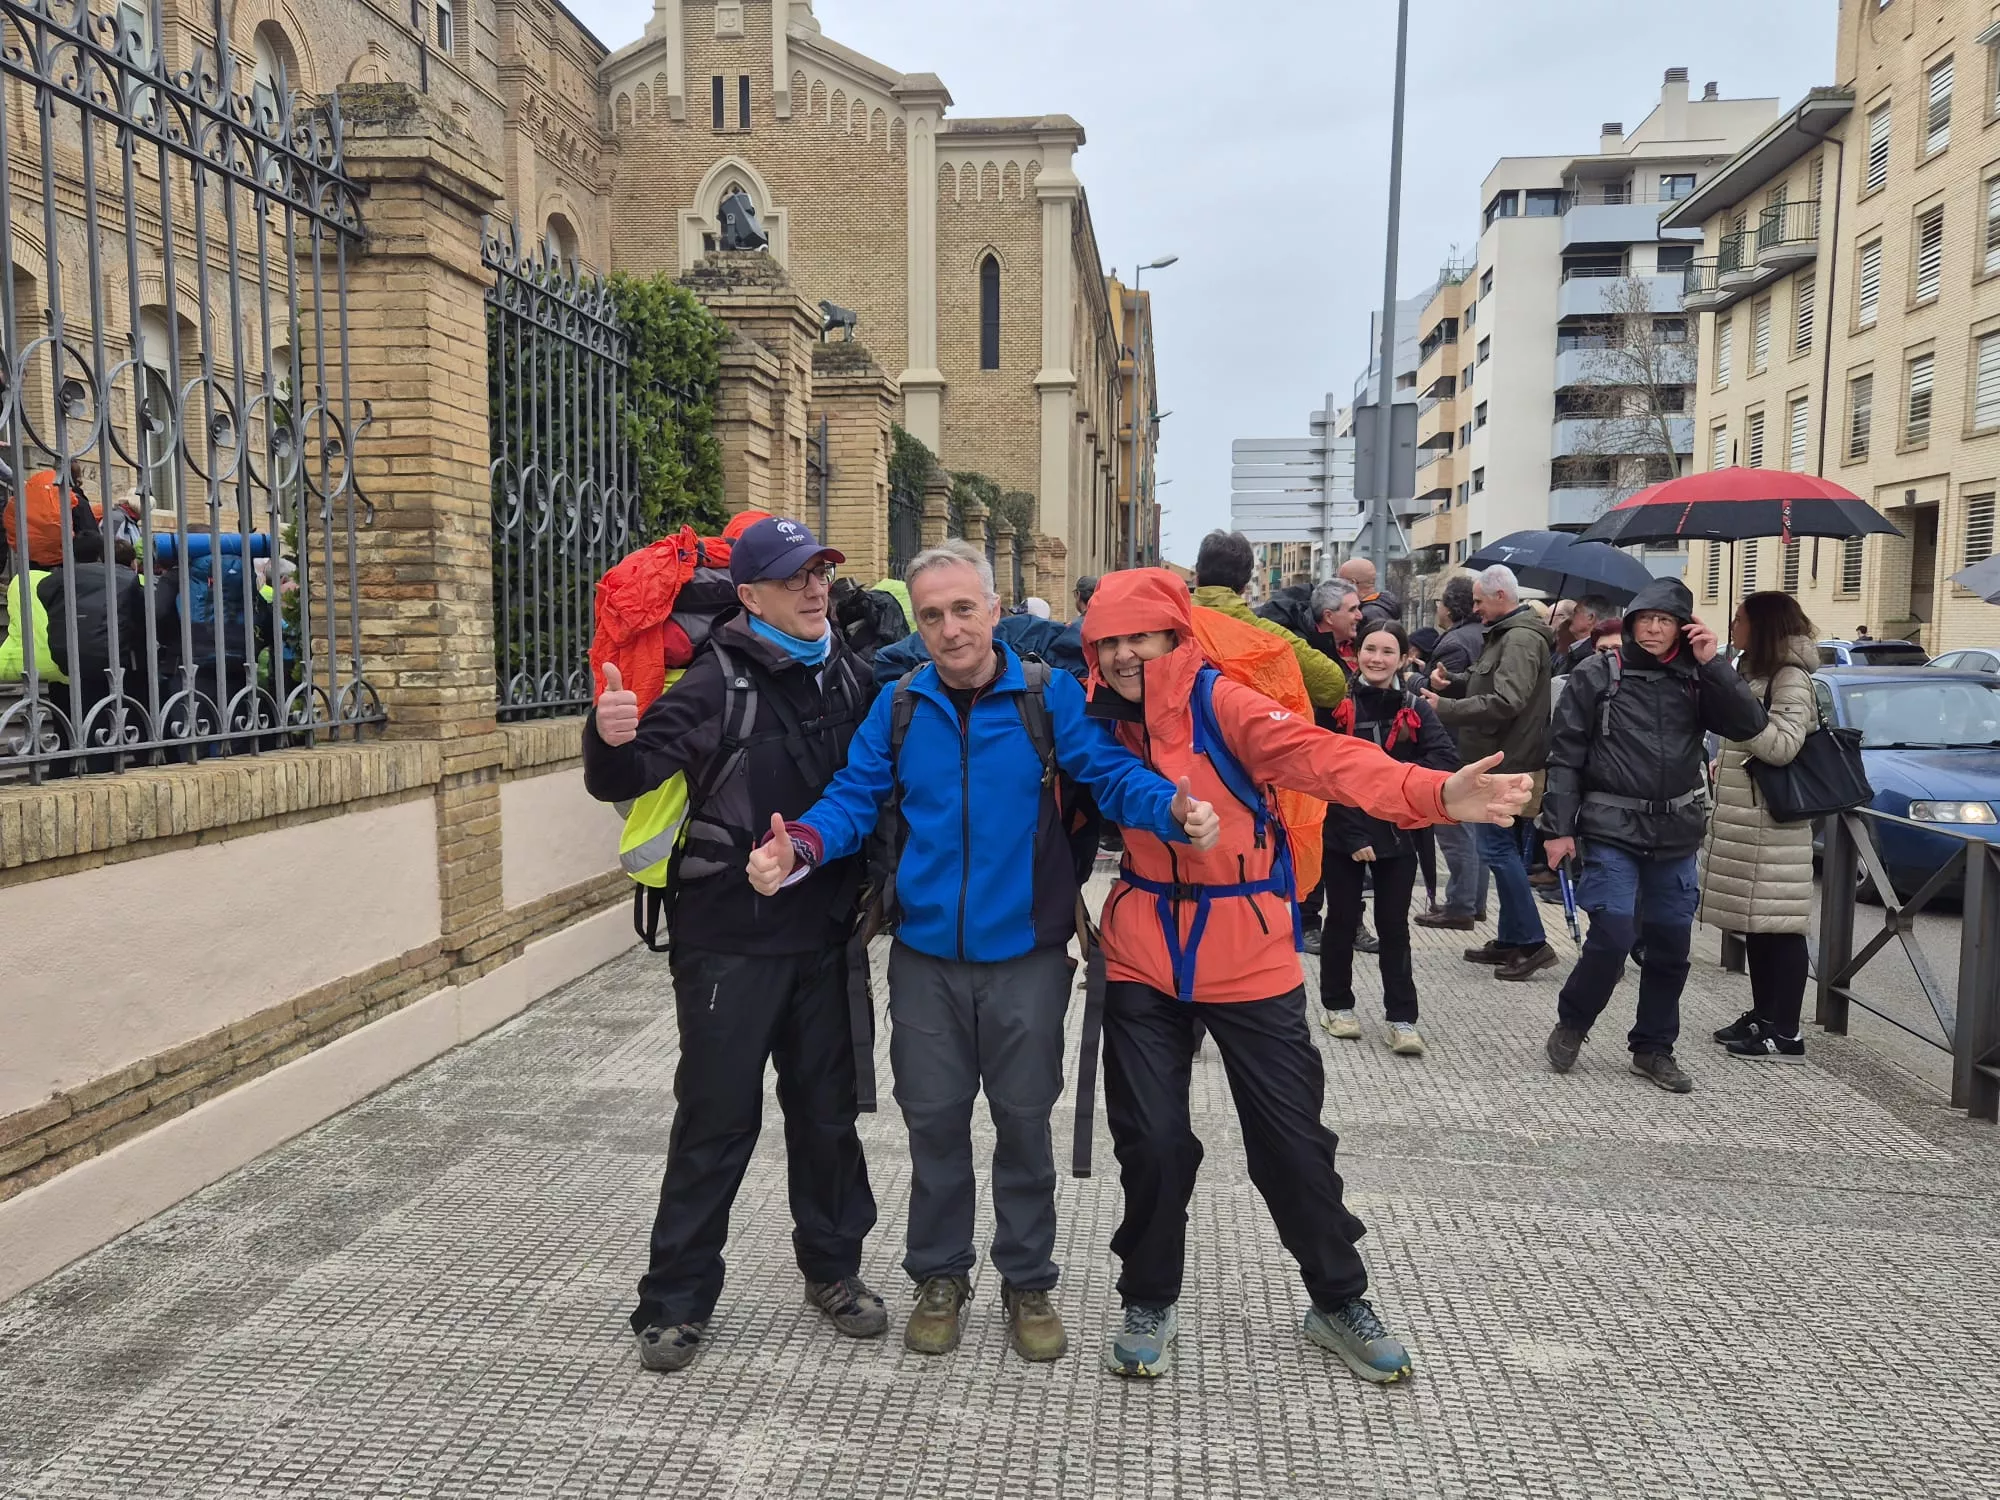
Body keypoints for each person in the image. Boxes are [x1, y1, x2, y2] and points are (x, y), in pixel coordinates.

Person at [746, 539, 1218, 1365]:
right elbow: (852, 799)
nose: (949, 628)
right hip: (925, 958)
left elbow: (1108, 775)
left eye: (964, 609)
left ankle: (1027, 1278)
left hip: (1028, 957)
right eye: (932, 615)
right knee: (932, 1125)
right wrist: (802, 848)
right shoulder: (898, 707)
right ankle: (940, 1274)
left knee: (1023, 1123)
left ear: (995, 612)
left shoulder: (1049, 698)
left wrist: (1167, 807)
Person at [1078, 569, 1531, 1385]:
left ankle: (1337, 1298)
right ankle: (1147, 1296)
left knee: (1290, 1144)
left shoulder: (1225, 705)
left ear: (1176, 637)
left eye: (1136, 637)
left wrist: (1435, 793)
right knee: (1151, 1141)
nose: (1118, 656)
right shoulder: (1098, 719)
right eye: (1105, 641)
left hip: (1247, 946)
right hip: (1144, 946)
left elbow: (1327, 760)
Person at [584, 517, 886, 1375]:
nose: (814, 588)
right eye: (793, 578)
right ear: (748, 597)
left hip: (825, 938)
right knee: (716, 1121)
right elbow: (628, 774)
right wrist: (606, 736)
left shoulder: (853, 676)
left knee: (828, 1120)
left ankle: (833, 1273)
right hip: (727, 944)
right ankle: (674, 1302)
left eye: (821, 572)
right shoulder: (718, 682)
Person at [1540, 578, 1767, 1093]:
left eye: (1665, 621)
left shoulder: (1696, 677)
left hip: (1677, 830)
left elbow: (1749, 723)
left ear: (1682, 628)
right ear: (1633, 620)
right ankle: (1574, 1021)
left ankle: (1653, 1047)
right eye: (1646, 619)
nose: (1653, 629)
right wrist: (1557, 829)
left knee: (1670, 946)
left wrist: (1715, 666)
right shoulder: (1598, 672)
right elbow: (1565, 756)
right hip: (1611, 827)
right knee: (1613, 937)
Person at [1320, 622, 1460, 1055]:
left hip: (1399, 832)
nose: (1376, 659)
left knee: (1393, 926)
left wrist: (1399, 777)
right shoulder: (1336, 705)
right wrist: (1353, 831)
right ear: (1356, 653)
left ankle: (1402, 1018)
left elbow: (1444, 760)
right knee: (1342, 919)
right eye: (1369, 649)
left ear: (1402, 659)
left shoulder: (1416, 706)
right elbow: (1322, 773)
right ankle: (1337, 1006)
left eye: (1386, 652)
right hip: (1343, 829)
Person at [1701, 592, 1821, 1062]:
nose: (1733, 625)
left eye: (1740, 619)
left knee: (1781, 927)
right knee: (1759, 924)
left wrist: (1738, 714)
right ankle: (1763, 1014)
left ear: (1764, 625)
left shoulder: (1792, 678)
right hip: (1749, 817)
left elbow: (1782, 746)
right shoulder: (1756, 671)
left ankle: (1786, 1032)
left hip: (1776, 823)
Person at [1424, 565, 1558, 978]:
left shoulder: (1518, 638)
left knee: (1497, 852)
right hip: (1506, 758)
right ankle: (1512, 939)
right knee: (1505, 853)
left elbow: (1507, 700)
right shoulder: (1510, 633)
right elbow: (1492, 685)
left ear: (1501, 597)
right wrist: (1456, 683)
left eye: (1480, 601)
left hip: (1506, 762)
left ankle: (1532, 942)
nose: (1475, 608)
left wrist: (1444, 708)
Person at [1192, 530, 1347, 709]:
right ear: (1244, 585)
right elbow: (1332, 686)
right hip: (1246, 733)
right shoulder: (1270, 636)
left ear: (1197, 577)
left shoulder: (1170, 626)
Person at [1416, 574, 1491, 931]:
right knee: (1475, 827)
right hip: (1477, 742)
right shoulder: (1483, 636)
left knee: (1453, 826)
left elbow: (1439, 695)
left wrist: (1417, 679)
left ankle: (1460, 904)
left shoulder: (1455, 644)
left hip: (1451, 745)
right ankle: (1473, 902)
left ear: (1449, 606)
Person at [1338, 556, 1401, 630]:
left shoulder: (1368, 616)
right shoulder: (1382, 605)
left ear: (1352, 583)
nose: (1338, 586)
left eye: (1340, 581)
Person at [1559, 595, 1616, 675]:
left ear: (1590, 617)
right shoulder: (1577, 650)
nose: (1570, 618)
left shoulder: (1595, 654)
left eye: (1575, 612)